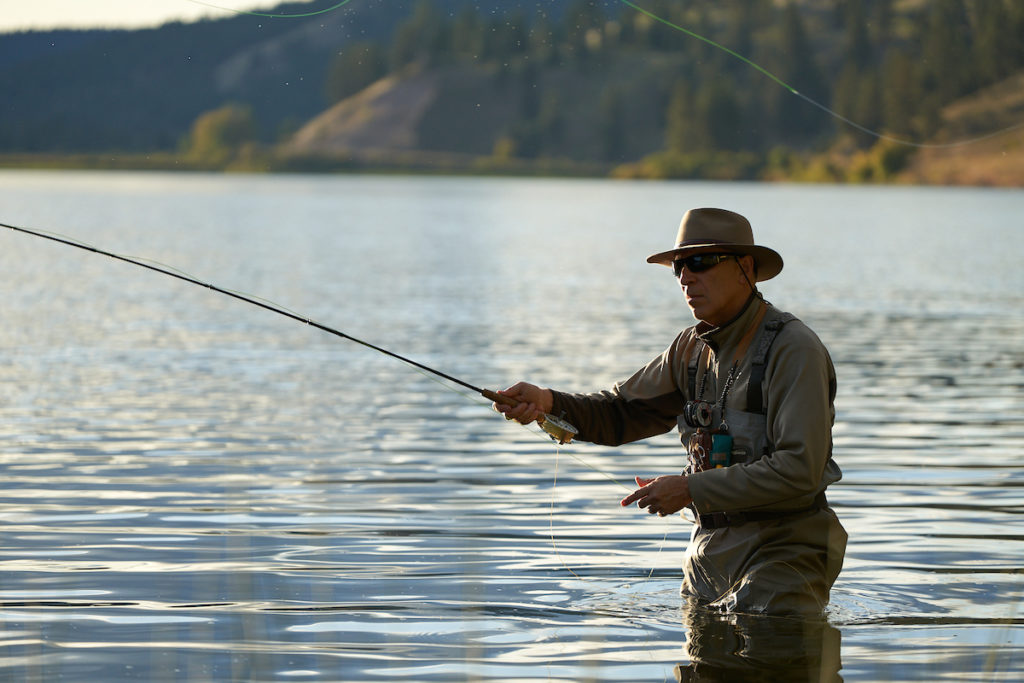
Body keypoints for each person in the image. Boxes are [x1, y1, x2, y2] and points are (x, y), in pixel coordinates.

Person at [495, 207, 847, 616]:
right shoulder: (689, 349)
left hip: (786, 556)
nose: (685, 277)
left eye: (701, 261)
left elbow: (799, 469)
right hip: (708, 560)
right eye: (679, 266)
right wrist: (548, 403)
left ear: (745, 268)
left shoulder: (794, 349)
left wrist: (689, 490)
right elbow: (619, 414)